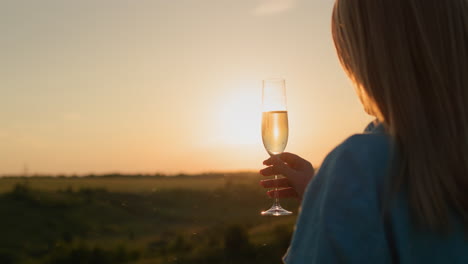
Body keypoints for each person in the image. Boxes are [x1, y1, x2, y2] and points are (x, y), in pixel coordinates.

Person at [260, 0, 468, 263]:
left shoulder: (360, 166)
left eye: (345, 44)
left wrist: (338, 195)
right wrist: (321, 196)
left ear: (369, 55)